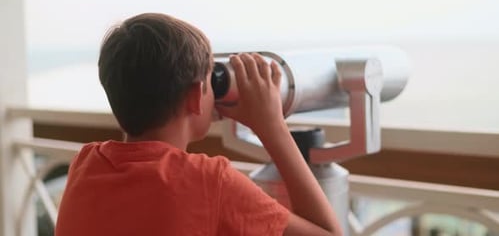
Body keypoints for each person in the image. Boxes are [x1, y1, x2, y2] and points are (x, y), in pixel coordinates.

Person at [55, 13, 342, 236]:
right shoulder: (211, 183)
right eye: (210, 82)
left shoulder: (85, 165)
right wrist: (272, 127)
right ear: (195, 97)